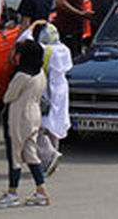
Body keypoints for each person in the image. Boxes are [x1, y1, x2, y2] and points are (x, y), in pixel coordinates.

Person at [0, 39, 50, 208]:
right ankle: (41, 191)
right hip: (34, 114)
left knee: (15, 157)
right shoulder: (40, 72)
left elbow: (8, 97)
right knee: (31, 154)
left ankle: (12, 193)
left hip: (18, 118)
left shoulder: (21, 75)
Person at [25, 22, 70, 175]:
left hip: (46, 91)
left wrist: (33, 25)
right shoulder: (64, 50)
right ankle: (51, 163)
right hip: (61, 91)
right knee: (54, 127)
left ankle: (49, 156)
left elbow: (25, 41)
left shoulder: (44, 51)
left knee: (37, 128)